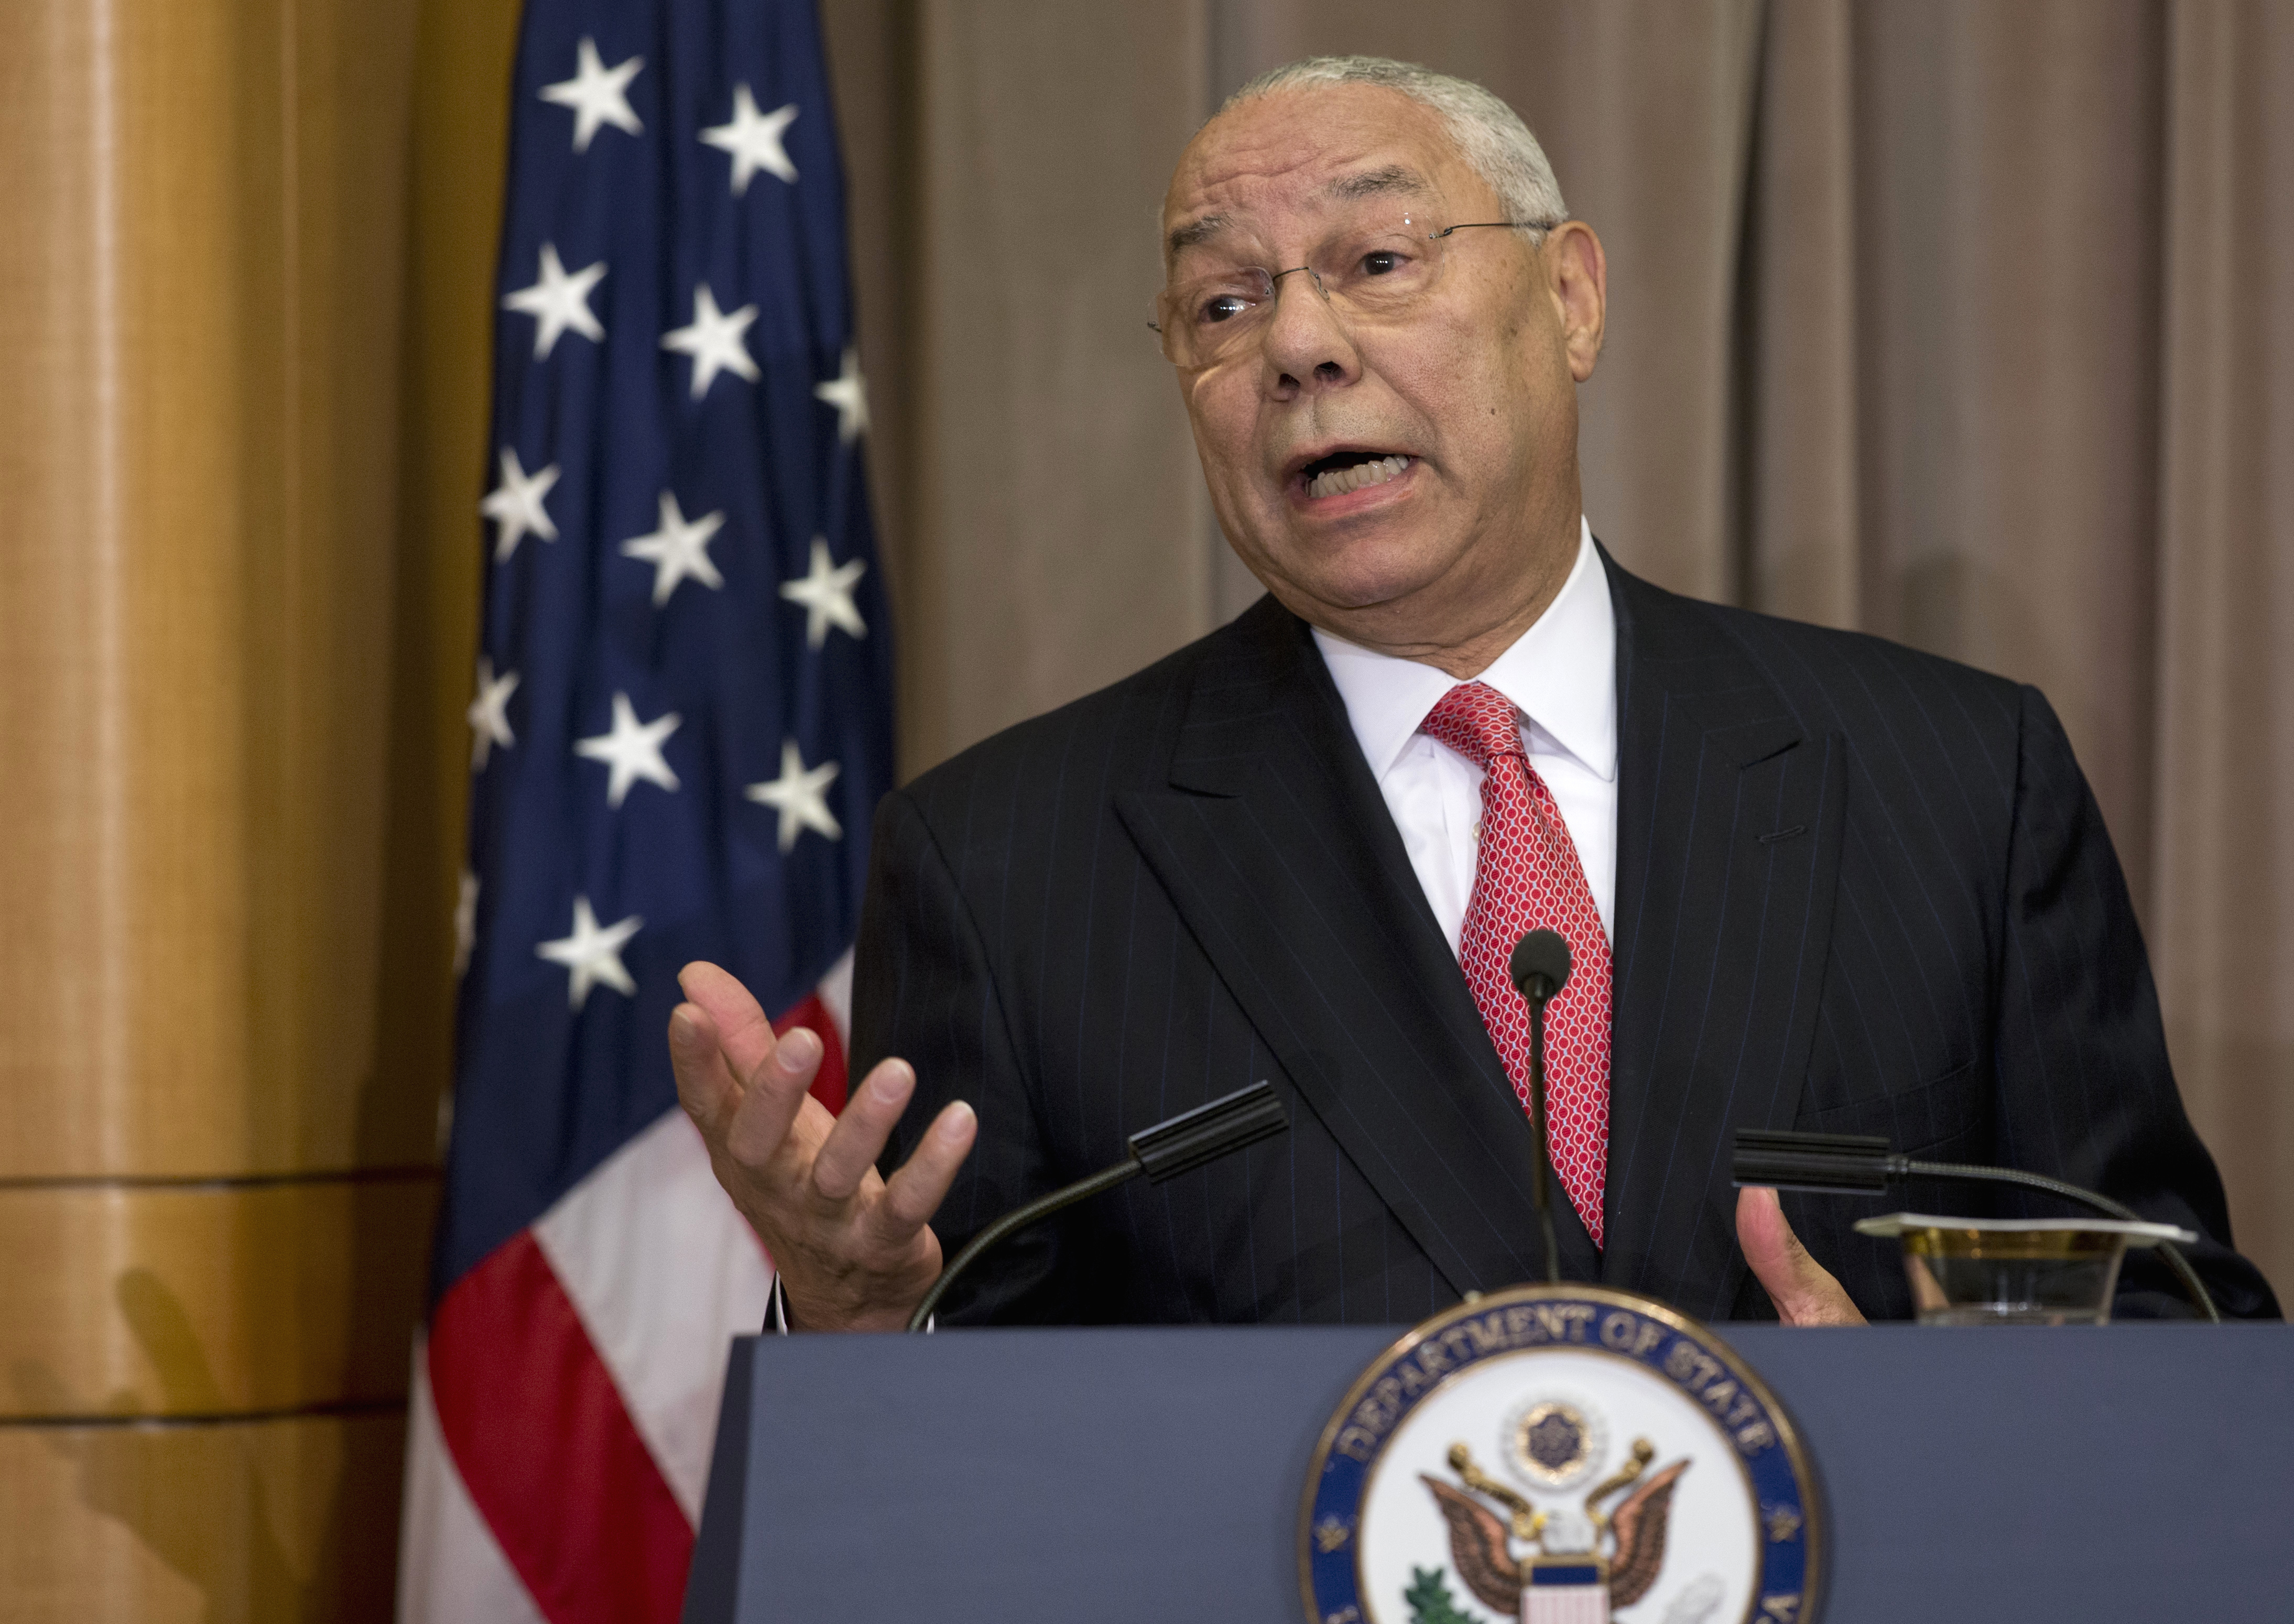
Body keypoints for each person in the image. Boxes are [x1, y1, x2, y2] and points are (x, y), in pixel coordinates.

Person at [668, 56, 2277, 1331]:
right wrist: (865, 1319)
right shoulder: (1010, 865)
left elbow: (2176, 1333)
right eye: (1223, 304)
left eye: (1376, 261)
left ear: (1569, 298)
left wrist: (1928, 1439)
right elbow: (958, 1492)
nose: (1298, 344)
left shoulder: (1953, 780)